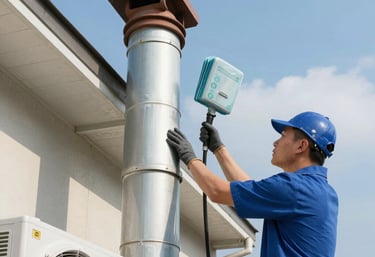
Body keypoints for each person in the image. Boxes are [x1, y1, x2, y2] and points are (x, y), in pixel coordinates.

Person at [166, 111, 338, 257]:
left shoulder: (294, 188)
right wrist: (219, 149)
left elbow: (217, 191)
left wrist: (189, 157)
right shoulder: (325, 193)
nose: (275, 142)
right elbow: (251, 190)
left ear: (301, 146)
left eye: (283, 136)